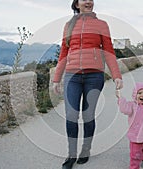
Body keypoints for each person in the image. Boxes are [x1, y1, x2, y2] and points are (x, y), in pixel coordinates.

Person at [52, 0, 123, 169]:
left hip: (94, 76)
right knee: (71, 116)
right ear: (77, 4)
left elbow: (109, 51)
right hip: (72, 76)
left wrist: (116, 75)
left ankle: (86, 149)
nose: (89, 1)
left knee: (87, 115)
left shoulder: (101, 25)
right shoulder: (68, 26)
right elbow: (63, 52)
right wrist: (56, 78)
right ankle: (71, 155)